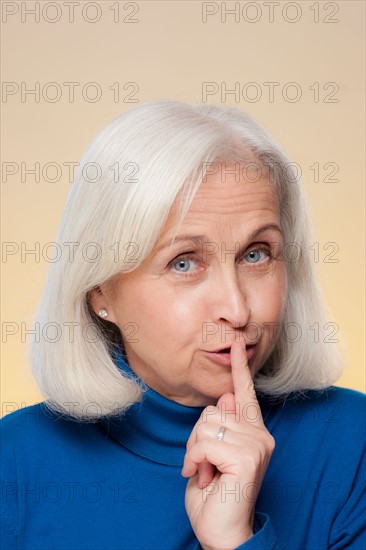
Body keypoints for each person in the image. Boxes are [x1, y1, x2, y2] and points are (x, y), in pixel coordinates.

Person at [1, 99, 365, 550]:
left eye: (257, 254)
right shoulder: (13, 465)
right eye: (184, 262)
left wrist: (233, 541)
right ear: (99, 291)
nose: (237, 310)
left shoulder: (352, 444)